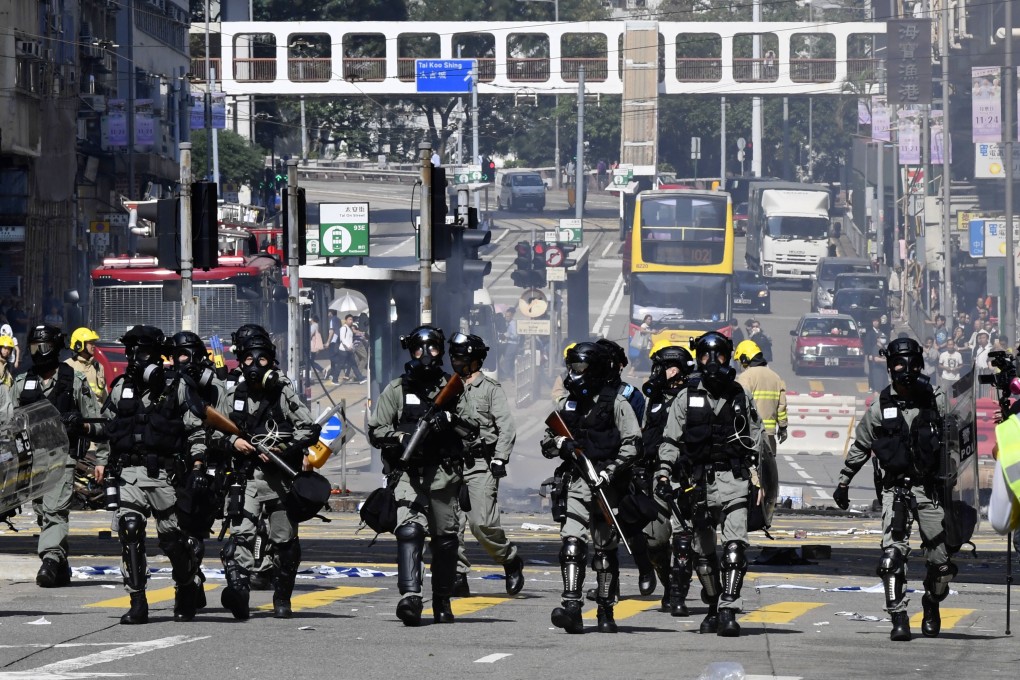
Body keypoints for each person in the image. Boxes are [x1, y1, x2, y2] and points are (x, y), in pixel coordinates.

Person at [833, 337, 954, 641]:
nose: (907, 370)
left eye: (913, 363)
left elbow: (957, 441)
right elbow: (861, 445)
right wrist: (844, 482)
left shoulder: (936, 400)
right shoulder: (879, 407)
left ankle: (931, 602)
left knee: (941, 564)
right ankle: (898, 615)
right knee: (891, 558)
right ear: (890, 367)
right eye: (899, 364)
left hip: (929, 490)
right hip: (895, 490)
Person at [367, 325, 481, 626]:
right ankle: (411, 598)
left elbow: (473, 429)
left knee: (445, 541)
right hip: (408, 474)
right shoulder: (397, 389)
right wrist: (400, 438)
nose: (426, 355)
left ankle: (442, 601)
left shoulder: (454, 387)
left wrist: (449, 420)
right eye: (420, 349)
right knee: (409, 531)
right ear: (411, 351)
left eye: (433, 349)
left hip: (444, 475)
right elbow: (376, 430)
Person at [655, 331, 765, 638]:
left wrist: (761, 482)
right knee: (703, 555)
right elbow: (670, 439)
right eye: (706, 355)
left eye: (719, 355)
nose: (713, 362)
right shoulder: (685, 397)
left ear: (728, 357)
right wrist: (663, 474)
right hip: (696, 484)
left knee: (734, 549)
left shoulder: (740, 395)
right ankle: (715, 603)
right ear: (698, 358)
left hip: (734, 481)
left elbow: (757, 440)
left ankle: (729, 610)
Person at [100, 325, 206, 624]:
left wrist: (197, 467)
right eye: (130, 352)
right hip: (129, 472)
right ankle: (137, 600)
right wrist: (79, 426)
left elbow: (196, 430)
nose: (135, 359)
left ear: (158, 355)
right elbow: (106, 426)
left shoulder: (178, 385)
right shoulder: (121, 387)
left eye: (142, 352)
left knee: (173, 541)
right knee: (130, 528)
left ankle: (186, 588)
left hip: (165, 474)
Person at [541, 341, 641, 634]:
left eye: (580, 367)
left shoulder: (617, 402)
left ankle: (605, 609)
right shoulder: (567, 403)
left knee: (605, 549)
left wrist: (609, 473)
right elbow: (547, 442)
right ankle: (571, 606)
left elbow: (634, 444)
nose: (574, 373)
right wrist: (560, 443)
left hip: (606, 485)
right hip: (575, 481)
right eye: (571, 367)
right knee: (572, 543)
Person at [219, 333, 320, 620]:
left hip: (280, 478)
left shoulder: (283, 390)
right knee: (240, 537)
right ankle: (238, 594)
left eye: (261, 359)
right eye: (249, 359)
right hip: (246, 477)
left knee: (285, 543)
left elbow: (309, 428)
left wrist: (283, 448)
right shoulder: (232, 394)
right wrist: (233, 442)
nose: (255, 365)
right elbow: (213, 431)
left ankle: (282, 597)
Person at [7, 325, 107, 588]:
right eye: (34, 348)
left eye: (45, 348)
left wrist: (81, 427)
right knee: (42, 512)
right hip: (33, 460)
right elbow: (8, 425)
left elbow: (100, 424)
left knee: (55, 510)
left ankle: (50, 561)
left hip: (63, 458)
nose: (39, 353)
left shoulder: (74, 380)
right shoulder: (21, 383)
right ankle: (61, 566)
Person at [449, 333, 525, 597]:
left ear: (475, 361)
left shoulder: (491, 390)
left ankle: (510, 559)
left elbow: (506, 428)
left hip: (480, 463)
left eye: (462, 358)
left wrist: (499, 458)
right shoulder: (447, 388)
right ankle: (457, 575)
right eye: (454, 357)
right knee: (450, 526)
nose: (456, 362)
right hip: (451, 464)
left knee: (481, 524)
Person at [639, 341, 696, 616]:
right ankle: (668, 583)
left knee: (684, 538)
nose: (657, 373)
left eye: (663, 368)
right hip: (655, 478)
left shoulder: (692, 397)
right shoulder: (655, 399)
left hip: (683, 477)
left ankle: (678, 594)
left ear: (675, 369)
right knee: (655, 541)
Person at [734, 339, 788, 458]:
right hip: (769, 434)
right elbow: (782, 406)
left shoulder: (745, 377)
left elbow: (740, 403)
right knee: (769, 469)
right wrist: (783, 428)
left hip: (750, 434)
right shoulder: (776, 377)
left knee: (752, 470)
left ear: (745, 359)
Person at [65, 327, 107, 405]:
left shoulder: (98, 366)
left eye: (94, 342)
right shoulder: (68, 366)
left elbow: (104, 395)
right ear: (79, 345)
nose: (94, 346)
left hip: (98, 415)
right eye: (91, 343)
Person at [337, 314, 366, 384]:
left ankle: (359, 378)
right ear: (346, 320)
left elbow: (350, 337)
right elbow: (343, 338)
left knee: (353, 364)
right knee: (341, 365)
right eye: (350, 319)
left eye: (352, 319)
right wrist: (348, 346)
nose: (351, 321)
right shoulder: (344, 328)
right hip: (345, 349)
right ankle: (335, 379)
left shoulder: (349, 328)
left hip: (349, 349)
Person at [500, 309, 519, 377]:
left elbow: (515, 336)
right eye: (506, 316)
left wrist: (507, 336)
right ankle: (511, 374)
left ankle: (507, 374)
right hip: (510, 343)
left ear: (511, 316)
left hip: (513, 344)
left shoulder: (513, 324)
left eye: (508, 316)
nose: (506, 318)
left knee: (507, 359)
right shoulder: (509, 323)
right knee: (510, 360)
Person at [326, 309, 342, 383]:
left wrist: (328, 342)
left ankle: (333, 373)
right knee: (334, 357)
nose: (328, 313)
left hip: (334, 341)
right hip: (338, 340)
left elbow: (331, 331)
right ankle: (332, 374)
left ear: (331, 313)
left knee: (333, 358)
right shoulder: (339, 320)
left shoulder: (332, 320)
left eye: (329, 312)